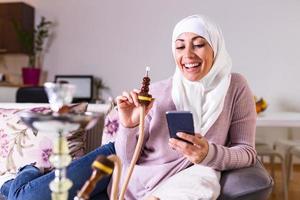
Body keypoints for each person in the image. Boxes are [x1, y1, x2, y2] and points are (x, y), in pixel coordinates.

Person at [0, 14, 256, 200]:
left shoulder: (235, 87)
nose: (188, 55)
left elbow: (247, 152)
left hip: (143, 186)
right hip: (116, 164)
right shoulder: (157, 91)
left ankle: (12, 184)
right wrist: (130, 124)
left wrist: (208, 154)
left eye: (198, 44)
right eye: (180, 46)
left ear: (216, 47)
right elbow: (126, 154)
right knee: (26, 199)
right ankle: (27, 171)